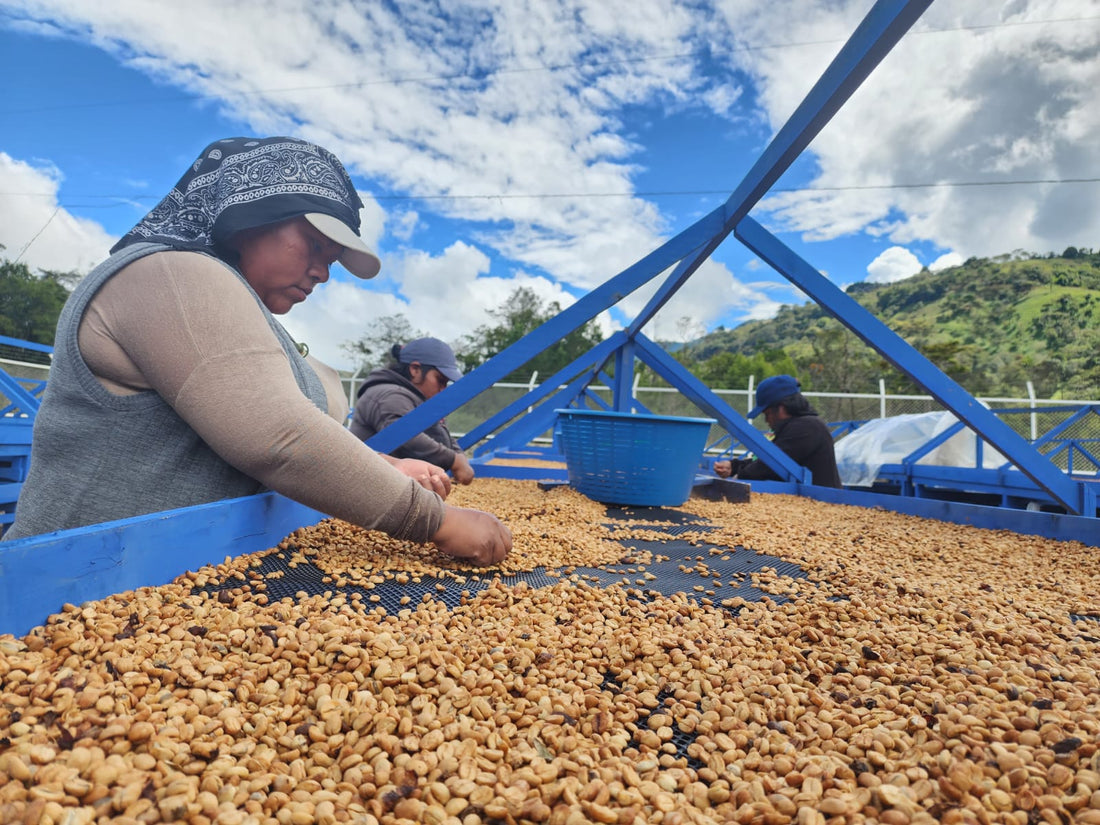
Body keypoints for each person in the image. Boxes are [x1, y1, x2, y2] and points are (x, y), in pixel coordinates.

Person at [3, 136, 510, 566]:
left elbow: (276, 430)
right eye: (313, 244)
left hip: (173, 579)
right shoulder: (170, 275)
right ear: (249, 216)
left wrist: (384, 471)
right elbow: (280, 436)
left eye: (331, 258)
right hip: (63, 588)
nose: (322, 272)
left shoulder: (244, 313)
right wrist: (438, 523)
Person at [349, 338, 475, 484]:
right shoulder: (391, 395)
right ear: (415, 370)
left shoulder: (416, 399)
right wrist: (453, 460)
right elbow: (403, 435)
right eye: (440, 380)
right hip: (368, 485)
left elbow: (439, 428)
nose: (443, 389)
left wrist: (458, 456)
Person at [714, 374, 841, 487]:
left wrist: (739, 477)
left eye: (767, 414)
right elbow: (769, 458)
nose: (766, 420)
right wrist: (734, 467)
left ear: (781, 408)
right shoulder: (794, 426)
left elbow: (771, 465)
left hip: (824, 503)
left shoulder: (807, 427)